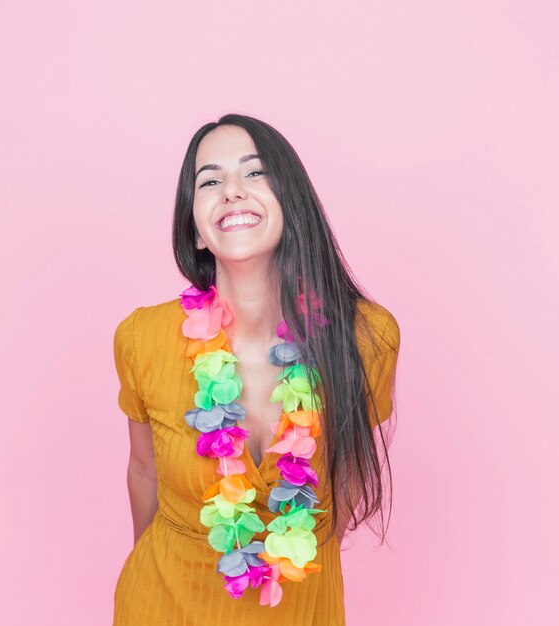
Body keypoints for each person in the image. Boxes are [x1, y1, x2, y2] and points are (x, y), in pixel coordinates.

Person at [112, 113, 401, 625]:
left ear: (291, 201)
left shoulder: (366, 338)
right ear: (196, 230)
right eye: (210, 181)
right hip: (164, 605)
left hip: (304, 610)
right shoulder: (142, 338)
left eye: (255, 172)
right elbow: (143, 471)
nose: (231, 191)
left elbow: (349, 479)